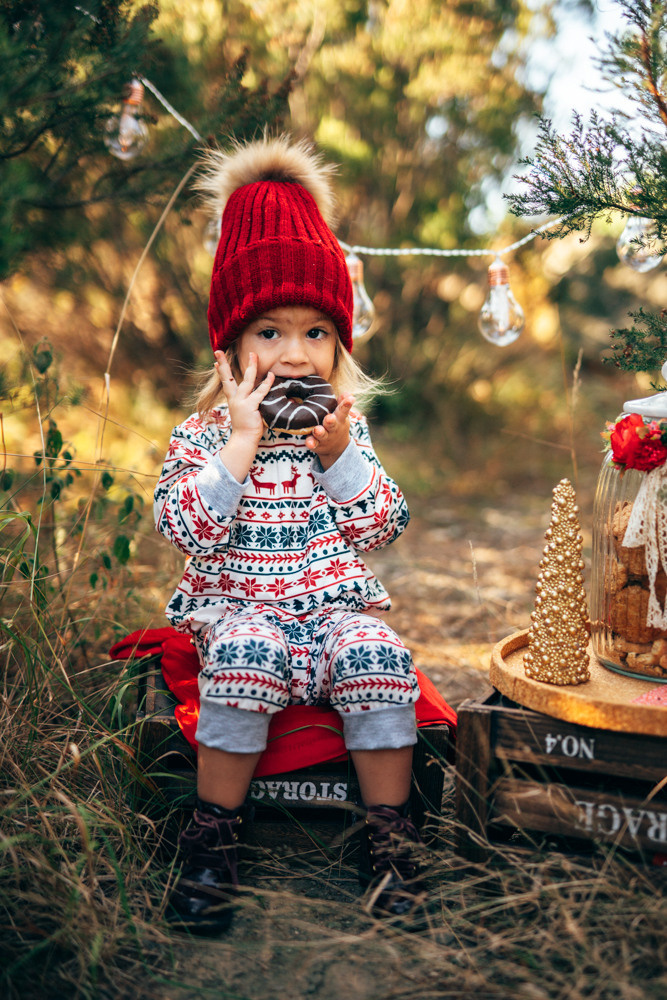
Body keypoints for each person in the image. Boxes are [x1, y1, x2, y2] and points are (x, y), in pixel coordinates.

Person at [154, 135, 425, 933]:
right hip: (241, 611)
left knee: (380, 658)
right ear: (231, 345)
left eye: (315, 333)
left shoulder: (343, 430)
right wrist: (240, 444)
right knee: (245, 657)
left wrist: (342, 459)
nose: (295, 355)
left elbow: (384, 524)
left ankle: (389, 841)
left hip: (333, 610)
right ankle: (214, 836)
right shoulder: (204, 436)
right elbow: (183, 527)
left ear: (338, 346)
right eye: (269, 333)